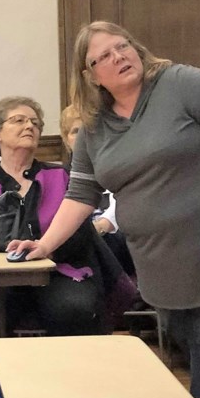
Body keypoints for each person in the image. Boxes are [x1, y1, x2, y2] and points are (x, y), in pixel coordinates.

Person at [8, 21, 200, 398]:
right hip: (166, 278)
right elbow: (81, 194)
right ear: (90, 75)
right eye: (102, 56)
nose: (117, 57)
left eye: (122, 47)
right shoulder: (94, 126)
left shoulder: (183, 83)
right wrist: (44, 245)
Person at [0, 96, 111, 336]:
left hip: (59, 270)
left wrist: (48, 249)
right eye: (19, 120)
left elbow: (82, 234)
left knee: (74, 307)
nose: (30, 126)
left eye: (35, 123)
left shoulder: (63, 176)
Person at [60, 105, 135, 278]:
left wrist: (102, 225)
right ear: (65, 139)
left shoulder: (123, 168)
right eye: (75, 131)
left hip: (117, 236)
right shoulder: (58, 176)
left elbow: (127, 203)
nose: (83, 138)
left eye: (91, 130)